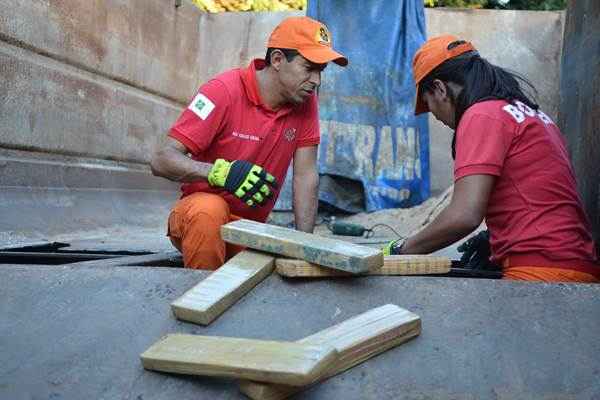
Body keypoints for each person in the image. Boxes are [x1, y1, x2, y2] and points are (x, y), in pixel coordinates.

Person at [384, 34, 599, 283]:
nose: (437, 118)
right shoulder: (530, 114)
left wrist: (402, 250)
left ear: (440, 88)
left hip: (540, 270)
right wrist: (494, 237)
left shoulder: (481, 115)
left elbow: (464, 216)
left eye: (429, 104)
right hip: (576, 263)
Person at [151, 17, 347, 269]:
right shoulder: (222, 91)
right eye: (309, 67)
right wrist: (220, 173)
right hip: (197, 221)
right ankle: (201, 297)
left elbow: (306, 176)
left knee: (278, 263)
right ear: (277, 60)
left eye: (321, 70)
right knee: (208, 209)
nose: (316, 80)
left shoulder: (305, 102)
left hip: (248, 231)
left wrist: (304, 246)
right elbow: (161, 160)